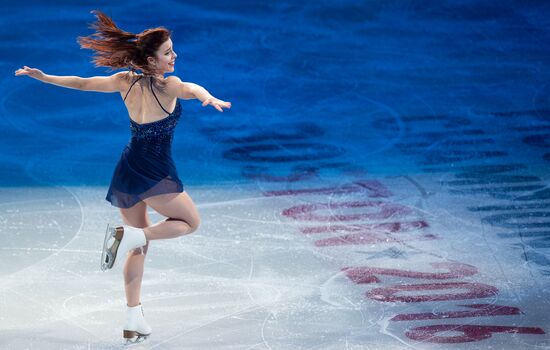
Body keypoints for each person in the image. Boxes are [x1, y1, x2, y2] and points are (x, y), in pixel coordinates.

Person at [14, 9, 231, 344]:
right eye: (168, 52)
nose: (175, 56)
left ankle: (133, 319)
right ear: (152, 60)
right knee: (189, 223)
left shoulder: (124, 82)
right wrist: (208, 97)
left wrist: (44, 77)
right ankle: (131, 236)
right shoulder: (168, 86)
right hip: (156, 172)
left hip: (128, 168)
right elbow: (190, 88)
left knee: (139, 244)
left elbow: (82, 83)